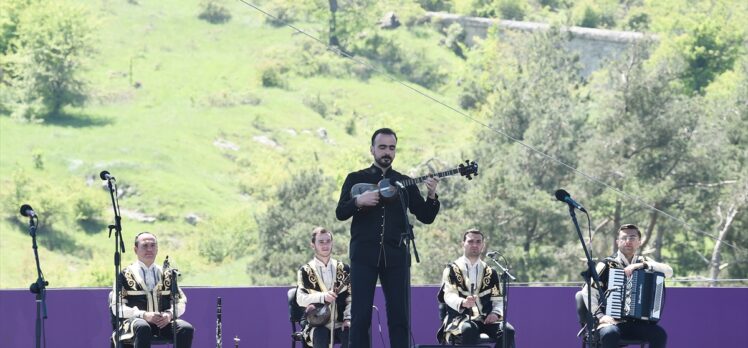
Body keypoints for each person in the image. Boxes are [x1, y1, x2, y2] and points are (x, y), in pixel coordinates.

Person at [336, 128, 441, 348]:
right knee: (360, 316)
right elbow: (340, 212)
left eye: (391, 148)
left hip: (396, 257)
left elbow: (426, 216)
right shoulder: (356, 179)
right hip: (363, 256)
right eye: (382, 147)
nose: (387, 152)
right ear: (372, 149)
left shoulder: (404, 182)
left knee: (399, 317)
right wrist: (358, 202)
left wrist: (432, 195)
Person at [581, 224, 673, 348]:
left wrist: (640, 266)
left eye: (632, 238)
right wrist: (600, 317)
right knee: (610, 334)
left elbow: (669, 271)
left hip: (637, 323)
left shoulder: (643, 261)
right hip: (610, 323)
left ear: (639, 242)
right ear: (618, 242)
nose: (628, 241)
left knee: (659, 335)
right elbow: (588, 292)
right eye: (624, 238)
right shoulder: (606, 264)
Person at [109, 232, 194, 348]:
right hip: (133, 323)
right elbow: (117, 307)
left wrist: (169, 315)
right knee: (142, 327)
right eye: (145, 246)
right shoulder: (124, 275)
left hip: (162, 323)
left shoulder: (167, 274)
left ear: (157, 249)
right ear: (135, 249)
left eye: (153, 245)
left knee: (185, 329)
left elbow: (180, 301)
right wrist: (143, 315)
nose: (149, 249)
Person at [437, 229, 516, 347]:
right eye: (470, 241)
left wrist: (495, 313)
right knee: (469, 329)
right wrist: (463, 302)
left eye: (478, 242)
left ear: (483, 245)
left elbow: (498, 300)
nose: (475, 245)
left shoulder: (491, 272)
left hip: (485, 319)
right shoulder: (452, 269)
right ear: (463, 243)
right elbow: (448, 295)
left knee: (508, 330)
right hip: (461, 319)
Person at [296, 227, 352, 348]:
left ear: (332, 243)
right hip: (317, 324)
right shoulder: (305, 271)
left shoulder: (344, 268)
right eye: (321, 242)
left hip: (340, 322)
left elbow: (351, 297)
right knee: (320, 334)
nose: (325, 245)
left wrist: (348, 318)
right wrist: (323, 297)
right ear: (313, 245)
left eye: (328, 241)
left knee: (351, 335)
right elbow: (300, 299)